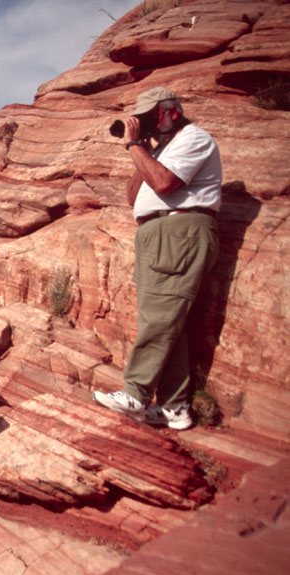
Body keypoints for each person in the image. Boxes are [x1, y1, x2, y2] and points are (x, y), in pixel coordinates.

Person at [93, 86, 221, 430]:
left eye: (152, 116)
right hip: (158, 234)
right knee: (166, 320)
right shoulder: (163, 148)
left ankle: (135, 393)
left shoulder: (194, 139)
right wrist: (144, 150)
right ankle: (174, 408)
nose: (147, 123)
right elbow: (134, 195)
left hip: (180, 231)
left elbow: (164, 185)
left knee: (160, 319)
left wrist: (135, 145)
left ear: (172, 112)